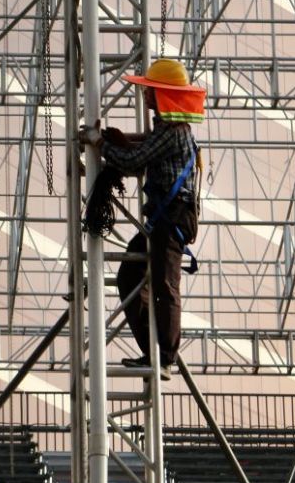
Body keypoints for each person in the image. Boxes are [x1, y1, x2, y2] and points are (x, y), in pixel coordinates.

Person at [81, 58, 206, 380]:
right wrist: (117, 146)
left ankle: (165, 355)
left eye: (151, 91)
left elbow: (135, 160)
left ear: (165, 95)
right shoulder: (165, 130)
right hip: (164, 217)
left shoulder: (173, 131)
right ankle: (154, 351)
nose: (146, 96)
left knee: (165, 285)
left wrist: (103, 144)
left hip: (172, 217)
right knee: (129, 277)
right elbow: (139, 161)